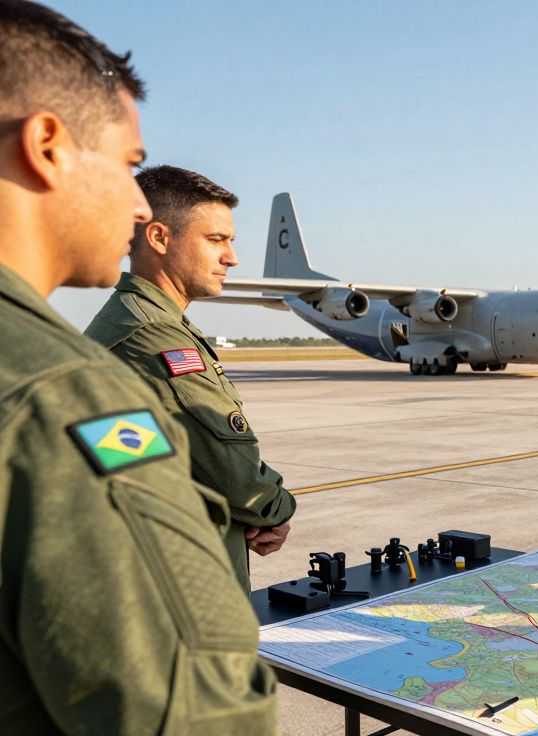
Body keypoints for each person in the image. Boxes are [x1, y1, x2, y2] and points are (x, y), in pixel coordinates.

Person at [0, 1, 276, 731]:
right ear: (48, 145)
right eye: (127, 167)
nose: (131, 204)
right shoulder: (63, 395)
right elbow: (188, 707)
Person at [86, 165, 296, 590]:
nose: (231, 257)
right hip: (183, 589)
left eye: (231, 242)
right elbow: (234, 473)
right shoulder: (153, 335)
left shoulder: (132, 323)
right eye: (215, 239)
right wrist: (275, 509)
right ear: (159, 237)